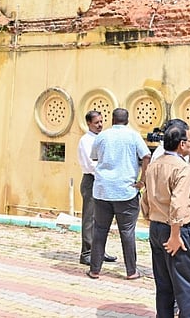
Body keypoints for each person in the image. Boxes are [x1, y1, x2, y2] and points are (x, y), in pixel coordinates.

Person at [141, 122, 190, 318]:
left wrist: (153, 222)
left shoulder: (153, 165)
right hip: (178, 231)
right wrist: (175, 235)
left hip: (157, 228)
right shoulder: (182, 168)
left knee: (164, 286)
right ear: (182, 144)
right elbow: (178, 204)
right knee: (188, 288)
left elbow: (145, 197)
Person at [87, 108, 150, 280]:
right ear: (127, 120)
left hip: (102, 190)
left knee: (100, 230)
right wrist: (142, 180)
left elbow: (94, 157)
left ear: (112, 120)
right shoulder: (133, 136)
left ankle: (95, 270)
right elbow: (146, 156)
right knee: (127, 231)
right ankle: (131, 271)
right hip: (126, 191)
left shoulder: (102, 136)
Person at [77, 111, 117, 266]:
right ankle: (86, 253)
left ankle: (99, 251)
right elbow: (92, 164)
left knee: (101, 219)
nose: (100, 125)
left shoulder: (102, 138)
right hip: (92, 180)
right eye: (96, 122)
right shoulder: (86, 141)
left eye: (101, 121)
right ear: (88, 123)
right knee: (89, 218)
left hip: (102, 181)